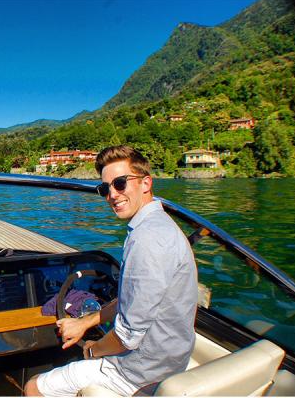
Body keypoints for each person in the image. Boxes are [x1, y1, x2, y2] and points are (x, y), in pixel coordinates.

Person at [25, 145, 198, 396]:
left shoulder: (147, 240)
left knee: (34, 386)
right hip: (171, 358)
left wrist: (92, 351)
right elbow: (134, 299)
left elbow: (128, 337)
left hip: (139, 370)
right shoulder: (159, 225)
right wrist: (86, 322)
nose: (112, 195)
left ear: (146, 183)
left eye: (120, 183)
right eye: (105, 188)